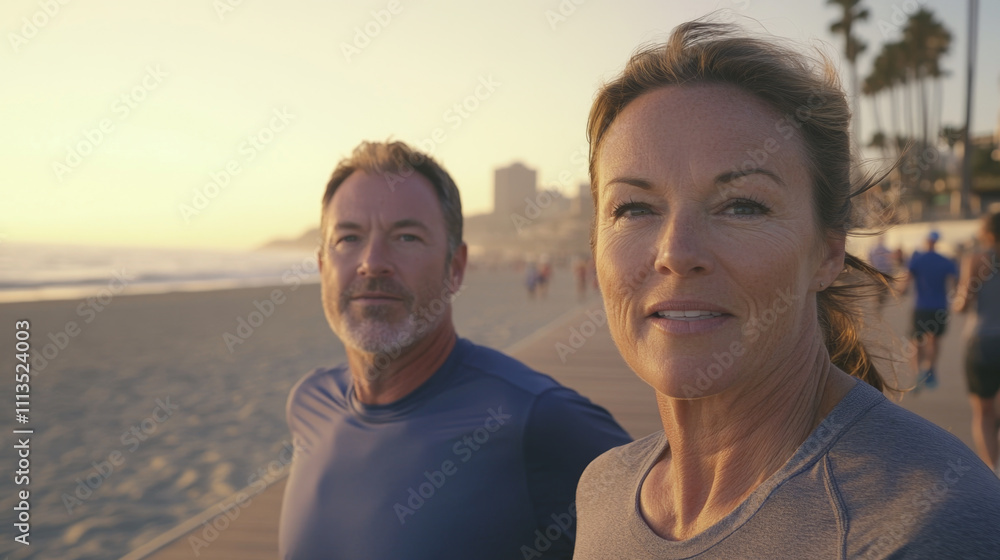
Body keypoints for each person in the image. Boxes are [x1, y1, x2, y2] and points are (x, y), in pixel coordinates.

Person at [573, 20, 1000, 559]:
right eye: (634, 208)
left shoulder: (927, 524)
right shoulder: (603, 490)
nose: (676, 253)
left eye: (742, 206)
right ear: (595, 245)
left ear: (827, 253)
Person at [278, 141, 631, 560]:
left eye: (406, 236)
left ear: (455, 268)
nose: (372, 262)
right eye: (348, 237)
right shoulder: (309, 403)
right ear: (322, 266)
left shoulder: (534, 419)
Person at [954, 212, 1000, 474]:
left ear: (986, 232)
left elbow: (963, 304)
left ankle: (992, 471)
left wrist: (957, 301)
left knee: (983, 412)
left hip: (981, 342)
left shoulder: (976, 259)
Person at [906, 230, 958, 389]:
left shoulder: (917, 260)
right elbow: (956, 280)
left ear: (926, 241)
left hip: (921, 306)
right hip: (940, 306)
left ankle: (917, 373)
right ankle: (929, 369)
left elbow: (905, 281)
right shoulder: (945, 260)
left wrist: (899, 290)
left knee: (917, 341)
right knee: (934, 340)